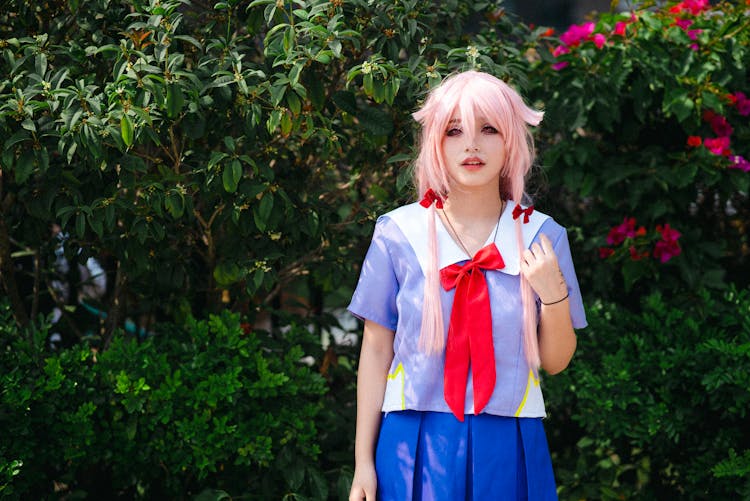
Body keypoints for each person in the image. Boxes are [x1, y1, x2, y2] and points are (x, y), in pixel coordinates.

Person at [347, 70, 587, 501]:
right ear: (435, 143)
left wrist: (553, 294)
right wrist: (363, 461)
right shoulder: (398, 232)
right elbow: (376, 349)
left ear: (511, 140)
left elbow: (556, 361)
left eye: (489, 129)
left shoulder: (542, 236)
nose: (471, 145)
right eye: (454, 131)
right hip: (412, 438)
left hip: (510, 438)